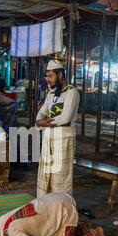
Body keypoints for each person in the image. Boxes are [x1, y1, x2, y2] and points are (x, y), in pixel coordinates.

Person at [35, 59, 80, 197]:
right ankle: (45, 206)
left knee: (61, 175)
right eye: (47, 76)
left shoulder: (72, 92)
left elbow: (65, 117)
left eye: (50, 76)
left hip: (64, 139)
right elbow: (40, 114)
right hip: (48, 138)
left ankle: (61, 208)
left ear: (60, 75)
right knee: (46, 173)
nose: (48, 80)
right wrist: (40, 121)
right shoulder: (51, 94)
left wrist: (45, 123)